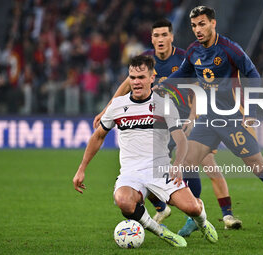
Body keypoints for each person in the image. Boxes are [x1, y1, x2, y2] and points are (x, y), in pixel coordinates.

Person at [93, 19, 242, 233]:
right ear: (151, 39)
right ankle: (164, 208)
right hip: (155, 125)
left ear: (171, 37)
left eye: (164, 35)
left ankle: (224, 214)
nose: (160, 39)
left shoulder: (184, 58)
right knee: (148, 169)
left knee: (207, 163)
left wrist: (193, 116)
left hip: (181, 121)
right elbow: (125, 86)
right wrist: (106, 110)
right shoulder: (145, 60)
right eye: (156, 36)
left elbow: (199, 88)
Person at [165, 6, 263, 238]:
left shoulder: (229, 49)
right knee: (186, 165)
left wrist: (252, 112)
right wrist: (164, 83)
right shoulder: (193, 50)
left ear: (213, 23)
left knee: (258, 166)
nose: (198, 29)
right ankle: (195, 216)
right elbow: (184, 73)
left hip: (233, 118)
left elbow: (253, 75)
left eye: (202, 24)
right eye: (194, 25)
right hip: (207, 119)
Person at [73, 55, 218, 247]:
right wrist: (82, 168)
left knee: (192, 208)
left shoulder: (164, 104)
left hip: (161, 169)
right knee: (123, 201)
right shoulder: (117, 106)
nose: (136, 82)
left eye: (141, 77)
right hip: (131, 173)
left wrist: (178, 164)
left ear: (152, 78)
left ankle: (202, 222)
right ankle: (161, 232)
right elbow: (98, 136)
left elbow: (181, 139)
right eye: (132, 77)